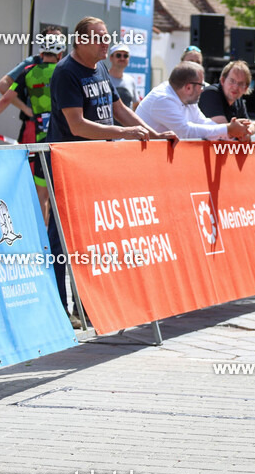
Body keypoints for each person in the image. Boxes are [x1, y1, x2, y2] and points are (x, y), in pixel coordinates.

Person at [46, 17, 177, 324]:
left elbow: (119, 109)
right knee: (62, 238)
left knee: (92, 238)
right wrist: (121, 133)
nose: (107, 43)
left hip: (98, 166)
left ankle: (88, 304)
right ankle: (60, 308)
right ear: (81, 41)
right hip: (69, 164)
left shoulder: (101, 67)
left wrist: (152, 133)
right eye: (100, 38)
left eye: (107, 37)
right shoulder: (66, 72)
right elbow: (77, 125)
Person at [0, 34, 65, 224]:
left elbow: (5, 98)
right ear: (60, 53)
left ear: (41, 52)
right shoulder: (64, 70)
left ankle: (43, 243)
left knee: (41, 194)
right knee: (62, 193)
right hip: (66, 138)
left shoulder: (28, 71)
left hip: (42, 139)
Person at [136, 62, 255, 140]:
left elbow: (203, 122)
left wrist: (231, 133)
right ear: (188, 87)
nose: (203, 90)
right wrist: (228, 129)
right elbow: (186, 132)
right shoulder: (162, 99)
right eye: (201, 85)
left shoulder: (187, 99)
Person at [198, 61, 255, 131]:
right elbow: (226, 130)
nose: (235, 87)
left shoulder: (238, 101)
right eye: (232, 81)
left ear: (246, 88)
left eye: (241, 84)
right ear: (223, 81)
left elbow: (248, 129)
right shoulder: (210, 94)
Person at [107, 44, 138, 109]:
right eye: (118, 55)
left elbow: (136, 104)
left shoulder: (131, 80)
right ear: (111, 58)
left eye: (125, 56)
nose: (122, 58)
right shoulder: (103, 78)